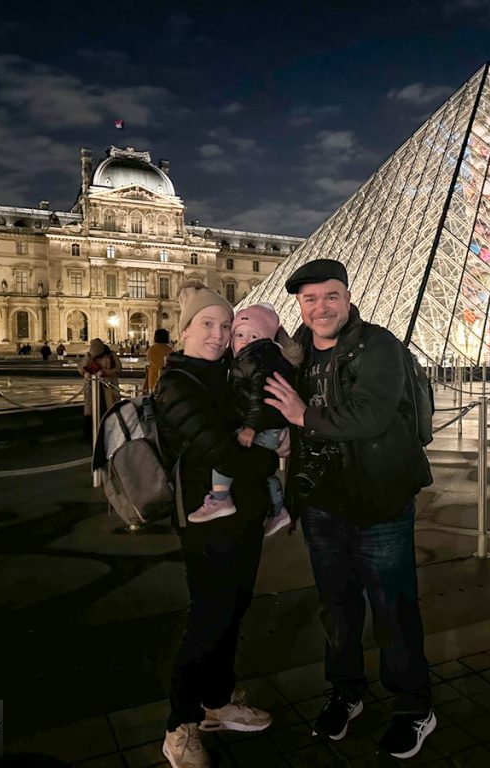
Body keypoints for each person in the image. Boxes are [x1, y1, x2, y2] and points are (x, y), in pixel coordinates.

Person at [264, 259, 436, 760]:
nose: (320, 307)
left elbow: (370, 416)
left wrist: (302, 415)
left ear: (347, 297)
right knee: (337, 610)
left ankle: (413, 707)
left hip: (378, 502)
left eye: (330, 296)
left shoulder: (378, 346)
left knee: (393, 609)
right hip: (322, 508)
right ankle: (346, 692)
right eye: (310, 299)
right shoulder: (293, 356)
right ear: (299, 303)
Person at [151, 281, 275, 767]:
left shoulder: (226, 374)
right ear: (184, 329)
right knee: (208, 619)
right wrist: (270, 454)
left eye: (226, 326)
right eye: (208, 324)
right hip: (204, 522)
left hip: (243, 513)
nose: (220, 334)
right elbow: (222, 451)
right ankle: (178, 725)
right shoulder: (177, 383)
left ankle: (216, 703)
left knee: (233, 609)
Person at [189, 303, 300, 537]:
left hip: (259, 426)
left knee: (230, 460)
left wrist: (250, 427)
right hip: (267, 427)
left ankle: (220, 498)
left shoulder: (256, 360)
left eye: (253, 336)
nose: (244, 340)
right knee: (264, 474)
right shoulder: (255, 359)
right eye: (239, 334)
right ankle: (278, 510)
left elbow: (258, 397)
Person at [78, 338, 123, 429]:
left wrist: (105, 372)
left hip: (108, 385)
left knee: (108, 406)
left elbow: (118, 368)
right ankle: (90, 429)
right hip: (92, 385)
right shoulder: (88, 356)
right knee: (91, 408)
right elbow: (81, 367)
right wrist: (85, 372)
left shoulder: (111, 355)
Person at [144, 328, 174, 394]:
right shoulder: (170, 350)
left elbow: (150, 361)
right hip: (166, 378)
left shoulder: (152, 349)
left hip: (154, 378)